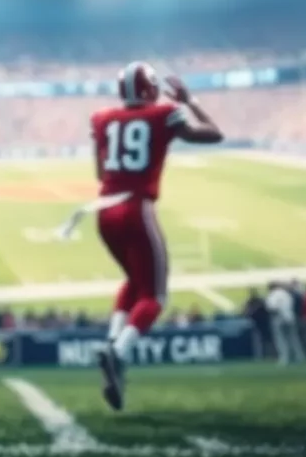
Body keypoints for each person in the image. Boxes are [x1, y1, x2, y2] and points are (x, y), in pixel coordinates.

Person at [79, 63, 223, 411]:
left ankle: (114, 343)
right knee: (154, 295)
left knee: (133, 281)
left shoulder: (101, 118)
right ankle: (119, 352)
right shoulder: (164, 114)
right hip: (135, 209)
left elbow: (100, 170)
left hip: (103, 211)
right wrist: (190, 100)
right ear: (150, 89)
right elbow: (213, 133)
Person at [267, 281, 305, 365]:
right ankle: (299, 356)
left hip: (279, 318)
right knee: (294, 338)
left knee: (281, 340)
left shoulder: (273, 295)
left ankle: (285, 358)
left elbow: (272, 307)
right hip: (290, 317)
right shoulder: (286, 294)